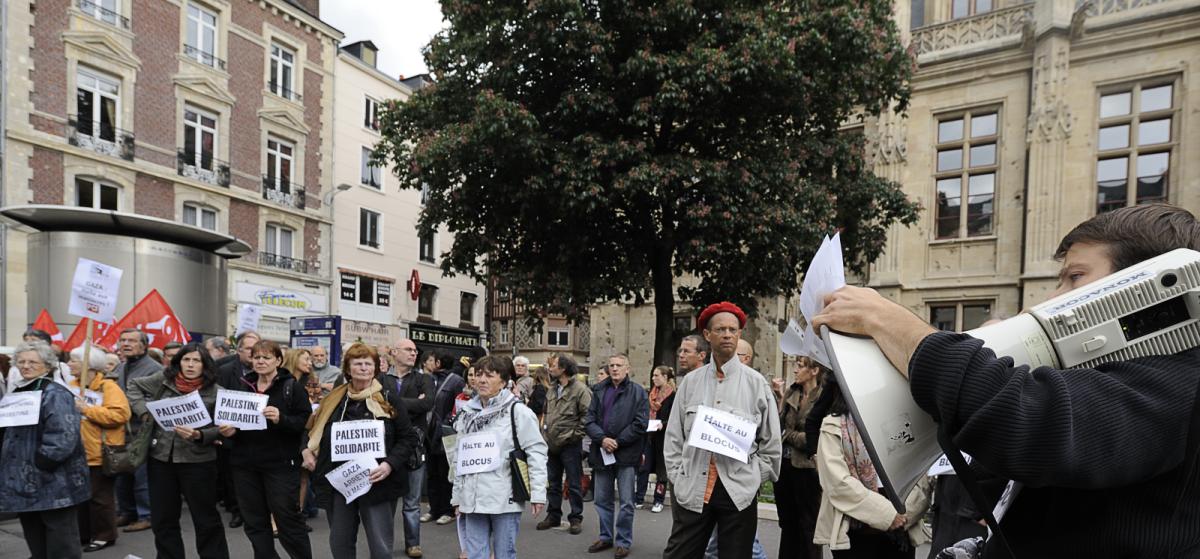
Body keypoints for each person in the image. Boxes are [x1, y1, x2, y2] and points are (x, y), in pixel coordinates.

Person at [812, 203, 1200, 556]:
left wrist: (889, 322)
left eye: (1075, 277)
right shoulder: (1118, 375)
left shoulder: (1183, 380)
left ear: (1144, 283)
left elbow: (1036, 426)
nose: (1051, 298)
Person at [662, 302, 782, 559]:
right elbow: (673, 437)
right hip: (694, 488)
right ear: (707, 335)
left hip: (737, 493)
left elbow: (771, 445)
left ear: (739, 334)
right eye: (720, 329)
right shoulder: (690, 383)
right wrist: (677, 475)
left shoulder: (756, 384)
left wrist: (752, 478)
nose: (727, 334)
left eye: (732, 329)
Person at [301, 343, 415, 559]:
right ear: (348, 368)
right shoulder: (333, 400)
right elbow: (310, 431)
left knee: (380, 547)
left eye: (368, 364)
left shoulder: (388, 398)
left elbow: (408, 438)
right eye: (358, 363)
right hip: (340, 481)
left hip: (378, 481)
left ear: (375, 368)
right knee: (340, 542)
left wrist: (389, 464)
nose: (363, 368)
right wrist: (306, 451)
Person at [127, 343, 230, 559]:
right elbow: (133, 385)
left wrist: (200, 435)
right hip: (161, 459)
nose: (190, 365)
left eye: (196, 360)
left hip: (198, 462)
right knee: (163, 519)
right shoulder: (164, 380)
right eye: (186, 360)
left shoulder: (217, 391)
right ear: (178, 362)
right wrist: (144, 413)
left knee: (206, 519)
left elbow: (225, 428)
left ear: (205, 365)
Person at [810, 379, 930, 557]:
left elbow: (917, 476)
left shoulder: (900, 421)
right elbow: (837, 483)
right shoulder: (833, 426)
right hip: (856, 528)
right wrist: (887, 514)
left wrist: (906, 514)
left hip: (900, 528)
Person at [218, 339, 313, 559]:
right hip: (245, 465)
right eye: (256, 357)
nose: (260, 361)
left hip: (280, 465)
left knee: (287, 519)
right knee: (254, 521)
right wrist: (229, 432)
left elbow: (304, 423)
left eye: (266, 357)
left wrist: (281, 419)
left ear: (278, 361)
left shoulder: (291, 387)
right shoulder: (243, 386)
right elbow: (235, 425)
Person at [450, 355, 548, 559]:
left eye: (489, 375)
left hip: (504, 498)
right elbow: (459, 458)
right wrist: (457, 496)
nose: (481, 380)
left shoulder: (518, 411)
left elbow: (536, 452)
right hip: (472, 498)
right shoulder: (467, 414)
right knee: (475, 554)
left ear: (503, 382)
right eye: (478, 375)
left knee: (504, 554)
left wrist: (538, 493)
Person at [0, 341, 90, 559]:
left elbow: (63, 436)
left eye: (32, 362)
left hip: (53, 480)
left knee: (61, 542)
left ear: (48, 365)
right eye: (21, 361)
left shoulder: (55, 393)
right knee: (35, 538)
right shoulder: (19, 390)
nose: (26, 366)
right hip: (23, 481)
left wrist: (42, 462)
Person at [584, 354, 649, 558]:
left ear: (627, 368)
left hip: (626, 454)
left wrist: (618, 441)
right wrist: (602, 439)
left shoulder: (638, 392)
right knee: (602, 499)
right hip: (602, 452)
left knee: (627, 502)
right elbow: (589, 420)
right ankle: (605, 537)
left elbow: (640, 423)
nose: (614, 368)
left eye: (619, 365)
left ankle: (623, 541)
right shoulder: (598, 390)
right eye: (611, 365)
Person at [68, 346, 131, 553]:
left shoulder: (108, 387)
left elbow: (120, 415)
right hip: (76, 452)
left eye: (74, 360)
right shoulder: (71, 386)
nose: (69, 364)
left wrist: (88, 410)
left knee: (100, 498)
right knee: (80, 498)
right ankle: (84, 533)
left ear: (89, 364)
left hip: (101, 452)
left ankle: (105, 535)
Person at [386, 339, 435, 558]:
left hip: (415, 446)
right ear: (394, 352)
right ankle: (383, 544)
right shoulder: (382, 378)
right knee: (387, 502)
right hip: (388, 447)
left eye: (415, 350)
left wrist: (393, 402)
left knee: (412, 502)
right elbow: (376, 402)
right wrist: (413, 402)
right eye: (408, 349)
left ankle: (413, 544)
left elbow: (427, 404)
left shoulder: (424, 379)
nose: (413, 353)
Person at [773, 356, 825, 559]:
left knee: (809, 527)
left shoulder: (823, 396)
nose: (795, 369)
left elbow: (816, 438)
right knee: (787, 524)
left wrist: (789, 435)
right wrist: (779, 397)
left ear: (814, 371)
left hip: (807, 469)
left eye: (800, 365)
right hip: (785, 467)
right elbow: (779, 426)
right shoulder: (791, 392)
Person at [536, 353, 592, 535]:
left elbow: (587, 416)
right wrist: (544, 434)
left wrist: (575, 436)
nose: (550, 368)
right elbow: (547, 413)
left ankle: (575, 518)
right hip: (551, 443)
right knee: (553, 483)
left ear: (564, 368)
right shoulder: (552, 389)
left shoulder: (580, 390)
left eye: (553, 365)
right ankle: (553, 515)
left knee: (574, 483)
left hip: (570, 444)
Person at [113, 328, 163, 533]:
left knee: (141, 476)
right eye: (123, 340)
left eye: (131, 341)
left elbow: (154, 400)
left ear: (144, 345)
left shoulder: (155, 369)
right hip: (121, 430)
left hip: (142, 430)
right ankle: (127, 511)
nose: (126, 344)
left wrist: (124, 405)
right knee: (122, 474)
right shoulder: (120, 366)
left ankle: (146, 515)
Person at [215, 331, 260, 529]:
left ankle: (257, 511)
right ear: (239, 351)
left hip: (258, 434)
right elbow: (217, 401)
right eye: (249, 349)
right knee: (232, 476)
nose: (253, 353)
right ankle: (237, 511)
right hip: (230, 433)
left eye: (256, 348)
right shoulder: (225, 371)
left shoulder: (267, 371)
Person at [423, 350, 464, 525]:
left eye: (432, 360)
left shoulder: (456, 381)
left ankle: (447, 509)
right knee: (431, 472)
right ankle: (434, 508)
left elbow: (457, 406)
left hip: (445, 432)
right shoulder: (429, 379)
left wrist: (446, 423)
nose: (429, 363)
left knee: (444, 472)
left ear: (438, 363)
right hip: (429, 431)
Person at [283, 348, 320, 521]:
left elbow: (317, 401)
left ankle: (299, 513)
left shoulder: (310, 381)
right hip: (289, 435)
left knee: (304, 476)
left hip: (306, 434)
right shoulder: (283, 382)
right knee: (288, 479)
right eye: (306, 359)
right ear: (294, 359)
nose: (309, 363)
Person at [644, 365, 675, 513]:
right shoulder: (651, 394)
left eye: (657, 375)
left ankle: (658, 500)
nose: (653, 378)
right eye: (653, 375)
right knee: (644, 466)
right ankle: (639, 497)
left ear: (665, 377)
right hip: (650, 435)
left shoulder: (672, 395)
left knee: (661, 471)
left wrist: (663, 424)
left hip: (664, 437)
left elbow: (674, 418)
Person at [5, 328, 74, 390]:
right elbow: (10, 390)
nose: (26, 366)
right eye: (26, 340)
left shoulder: (61, 368)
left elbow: (72, 387)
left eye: (33, 340)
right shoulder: (15, 369)